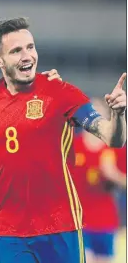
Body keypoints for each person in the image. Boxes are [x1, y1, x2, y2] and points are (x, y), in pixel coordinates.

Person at [0, 17, 126, 263]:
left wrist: (119, 114)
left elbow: (113, 138)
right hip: (10, 231)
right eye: (16, 51)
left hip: (61, 226)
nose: (27, 56)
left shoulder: (61, 93)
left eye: (30, 47)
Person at [73, 97, 126, 263]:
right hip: (78, 221)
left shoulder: (116, 147)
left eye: (98, 113)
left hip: (105, 221)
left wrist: (113, 174)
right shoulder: (73, 146)